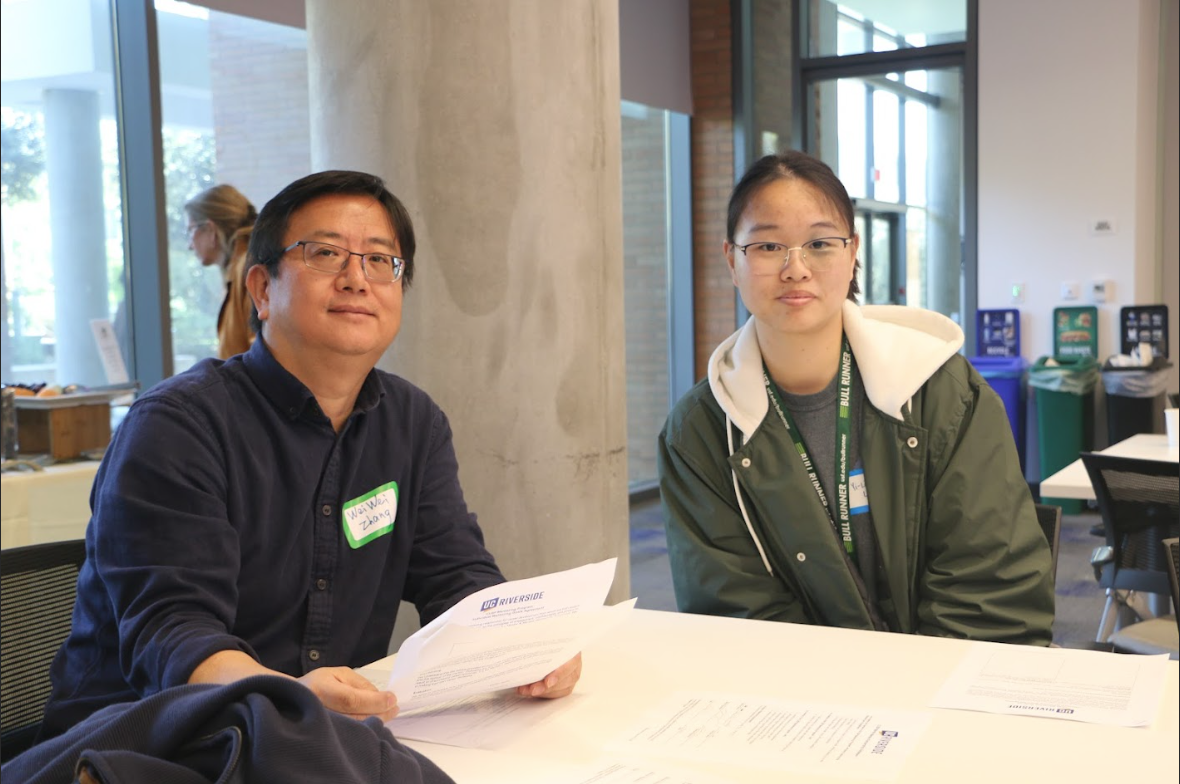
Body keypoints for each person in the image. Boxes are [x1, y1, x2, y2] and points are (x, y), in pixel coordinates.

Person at [39, 170, 581, 743]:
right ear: (261, 289)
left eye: (380, 260)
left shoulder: (412, 423)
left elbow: (454, 573)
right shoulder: (178, 426)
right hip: (146, 745)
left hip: (315, 742)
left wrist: (522, 643)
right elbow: (173, 632)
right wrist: (289, 698)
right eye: (325, 254)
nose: (357, 279)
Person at [658, 150, 1054, 645]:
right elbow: (736, 614)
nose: (795, 269)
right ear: (732, 261)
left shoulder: (942, 393)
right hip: (796, 689)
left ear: (852, 255)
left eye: (820, 244)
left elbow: (990, 593)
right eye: (767, 246)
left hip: (948, 680)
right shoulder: (699, 433)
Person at [185, 184, 257, 358]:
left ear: (211, 229)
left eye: (190, 230)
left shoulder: (248, 270)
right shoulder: (240, 268)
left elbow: (259, 353)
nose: (189, 245)